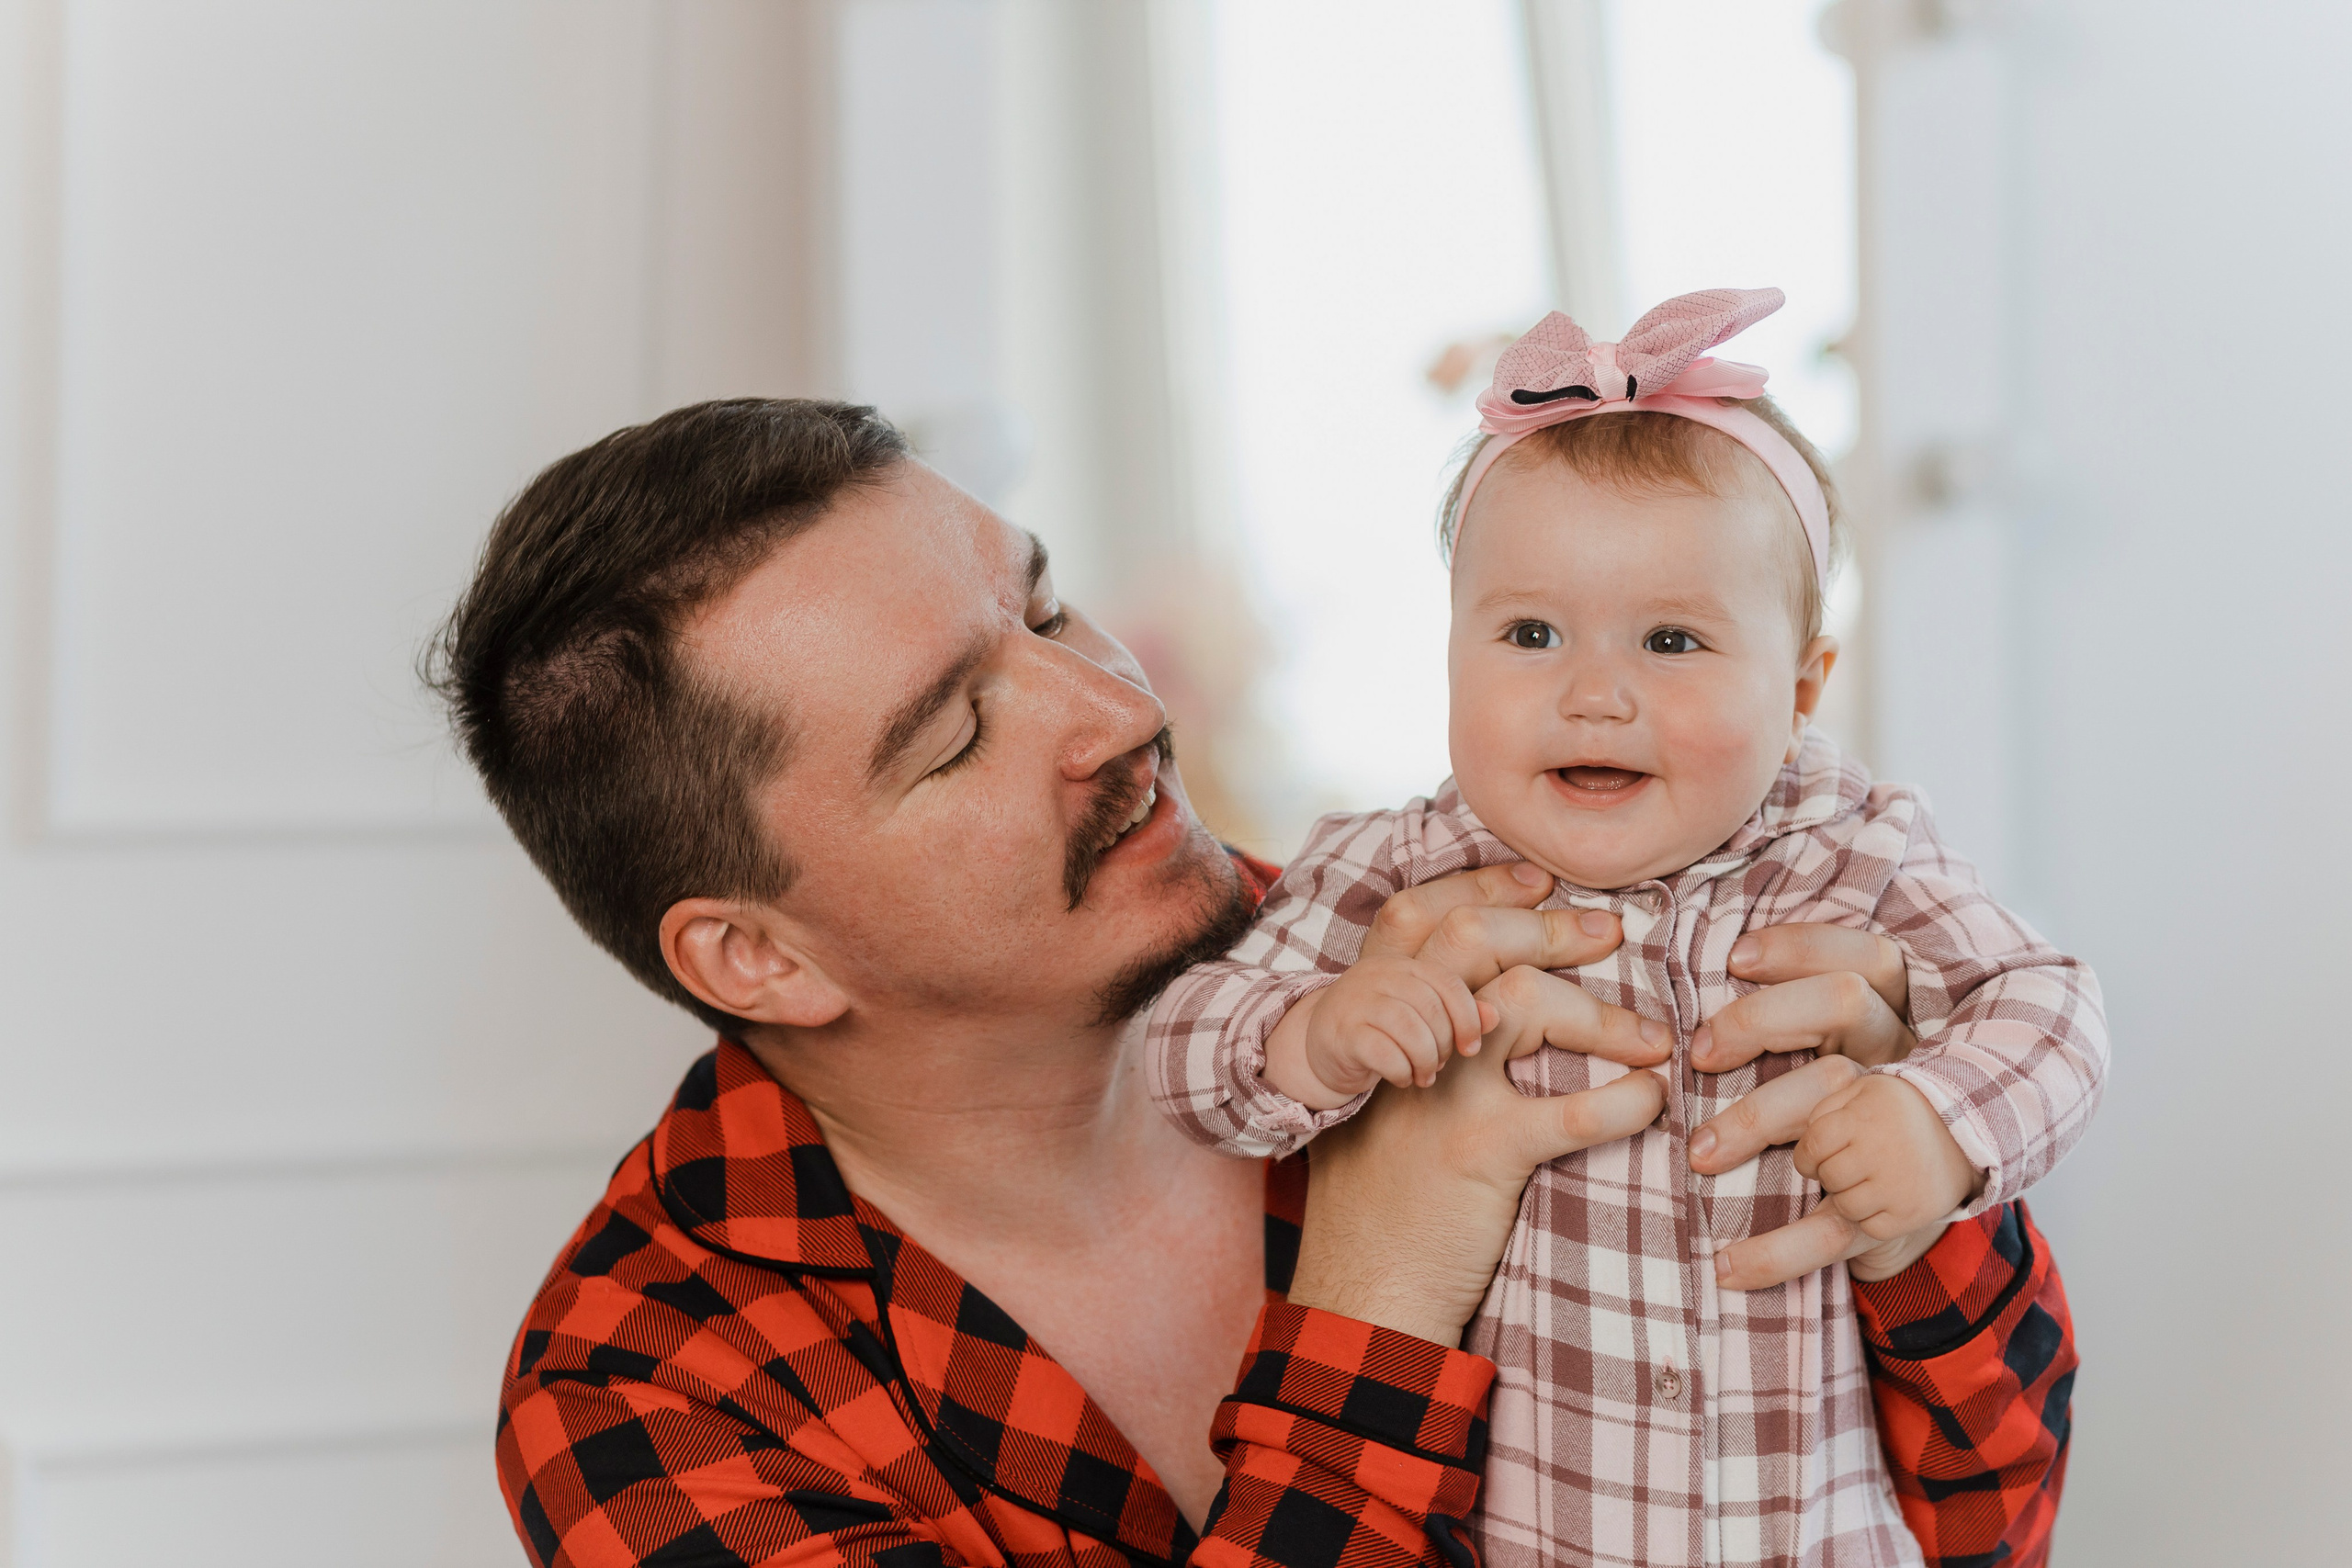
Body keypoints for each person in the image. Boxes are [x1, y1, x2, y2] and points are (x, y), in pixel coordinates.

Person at [432, 398, 2076, 1568]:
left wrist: (1905, 1197)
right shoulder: (653, 1392)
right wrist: (1376, 1299)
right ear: (759, 956)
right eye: (954, 737)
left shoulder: (1451, 940)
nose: (1117, 709)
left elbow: (1985, 1518)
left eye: (1050, 606)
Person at [1147, 290, 2103, 1567]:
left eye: (1672, 640)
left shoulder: (1849, 848)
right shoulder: (1397, 870)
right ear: (1449, 650)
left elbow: (2052, 1003)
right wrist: (1316, 1037)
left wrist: (1944, 1122)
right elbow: (1181, 1046)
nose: (1594, 693)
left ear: (1802, 685)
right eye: (1529, 633)